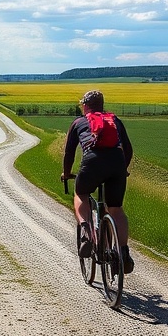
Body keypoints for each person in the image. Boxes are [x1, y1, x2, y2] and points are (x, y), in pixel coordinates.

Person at [60, 89, 135, 273]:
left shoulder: (78, 122)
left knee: (81, 193)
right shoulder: (114, 120)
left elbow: (69, 152)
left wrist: (66, 173)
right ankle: (123, 253)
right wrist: (122, 169)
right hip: (116, 162)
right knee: (116, 209)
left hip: (92, 162)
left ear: (85, 105)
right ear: (102, 105)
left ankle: (85, 230)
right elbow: (128, 149)